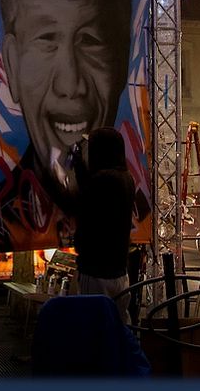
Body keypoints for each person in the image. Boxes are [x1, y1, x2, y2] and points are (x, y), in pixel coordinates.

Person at [0, 0, 133, 249]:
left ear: (122, 60)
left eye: (91, 40)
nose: (70, 84)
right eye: (46, 38)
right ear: (11, 64)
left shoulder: (124, 193)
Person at [72, 126, 136, 326]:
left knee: (96, 328)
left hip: (97, 270)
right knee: (119, 326)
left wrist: (78, 166)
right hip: (119, 270)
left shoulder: (103, 180)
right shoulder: (126, 178)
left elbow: (84, 200)